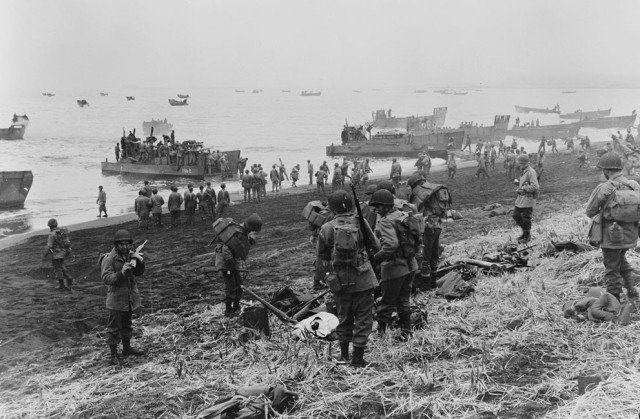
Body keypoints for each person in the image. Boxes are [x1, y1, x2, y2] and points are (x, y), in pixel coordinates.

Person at [317, 190, 379, 367]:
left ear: (331, 208)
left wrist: (328, 277)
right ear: (351, 206)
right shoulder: (361, 222)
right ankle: (358, 359)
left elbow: (322, 259)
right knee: (364, 319)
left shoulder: (327, 228)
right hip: (364, 278)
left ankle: (344, 355)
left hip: (340, 281)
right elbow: (375, 245)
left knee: (344, 317)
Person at [586, 153, 640, 305]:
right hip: (630, 235)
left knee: (611, 268)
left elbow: (590, 211)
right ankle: (631, 289)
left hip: (612, 235)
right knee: (621, 259)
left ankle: (613, 301)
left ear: (606, 171)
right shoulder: (634, 185)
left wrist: (606, 213)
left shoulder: (604, 187)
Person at [370, 189, 418, 341]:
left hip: (395, 267)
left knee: (386, 303)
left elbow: (391, 245)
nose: (376, 210)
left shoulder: (386, 221)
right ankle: (406, 332)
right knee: (403, 300)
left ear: (384, 206)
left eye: (378, 207)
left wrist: (376, 258)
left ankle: (381, 337)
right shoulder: (402, 215)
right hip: (411, 264)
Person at [101, 229, 146, 365]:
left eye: (127, 244)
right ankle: (113, 354)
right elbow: (106, 278)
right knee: (114, 328)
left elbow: (138, 273)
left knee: (127, 324)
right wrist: (121, 273)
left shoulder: (130, 256)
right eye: (122, 244)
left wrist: (140, 261)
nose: (125, 247)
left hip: (129, 298)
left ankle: (127, 349)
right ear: (116, 245)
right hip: (115, 299)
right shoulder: (108, 259)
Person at [214, 213, 263, 316]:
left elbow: (239, 246)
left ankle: (236, 306)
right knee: (230, 285)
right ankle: (228, 310)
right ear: (249, 227)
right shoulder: (235, 232)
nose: (251, 232)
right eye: (252, 230)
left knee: (239, 285)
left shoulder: (242, 232)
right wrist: (232, 266)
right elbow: (225, 249)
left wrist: (249, 240)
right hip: (226, 263)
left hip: (233, 263)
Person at [512, 154, 539, 243]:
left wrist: (523, 188)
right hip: (521, 198)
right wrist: (519, 183)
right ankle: (525, 233)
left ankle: (527, 236)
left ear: (523, 163)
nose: (518, 165)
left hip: (528, 198)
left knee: (526, 218)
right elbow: (526, 182)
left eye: (519, 163)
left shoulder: (531, 172)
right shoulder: (524, 171)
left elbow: (535, 187)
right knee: (516, 215)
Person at [43, 218, 73, 291]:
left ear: (50, 226)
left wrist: (45, 253)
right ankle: (69, 278)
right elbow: (67, 242)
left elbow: (49, 245)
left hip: (56, 254)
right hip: (63, 252)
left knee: (58, 269)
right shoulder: (62, 231)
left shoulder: (52, 234)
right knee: (61, 266)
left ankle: (62, 285)